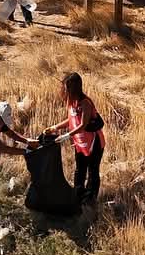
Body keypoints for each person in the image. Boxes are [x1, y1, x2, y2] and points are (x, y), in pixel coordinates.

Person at [42, 72, 105, 204]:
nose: (63, 90)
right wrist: (55, 127)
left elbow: (83, 125)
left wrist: (66, 136)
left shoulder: (85, 103)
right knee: (79, 170)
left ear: (74, 88)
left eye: (66, 87)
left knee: (93, 172)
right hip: (80, 144)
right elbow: (71, 120)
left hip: (94, 143)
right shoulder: (71, 102)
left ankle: (90, 200)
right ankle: (78, 196)